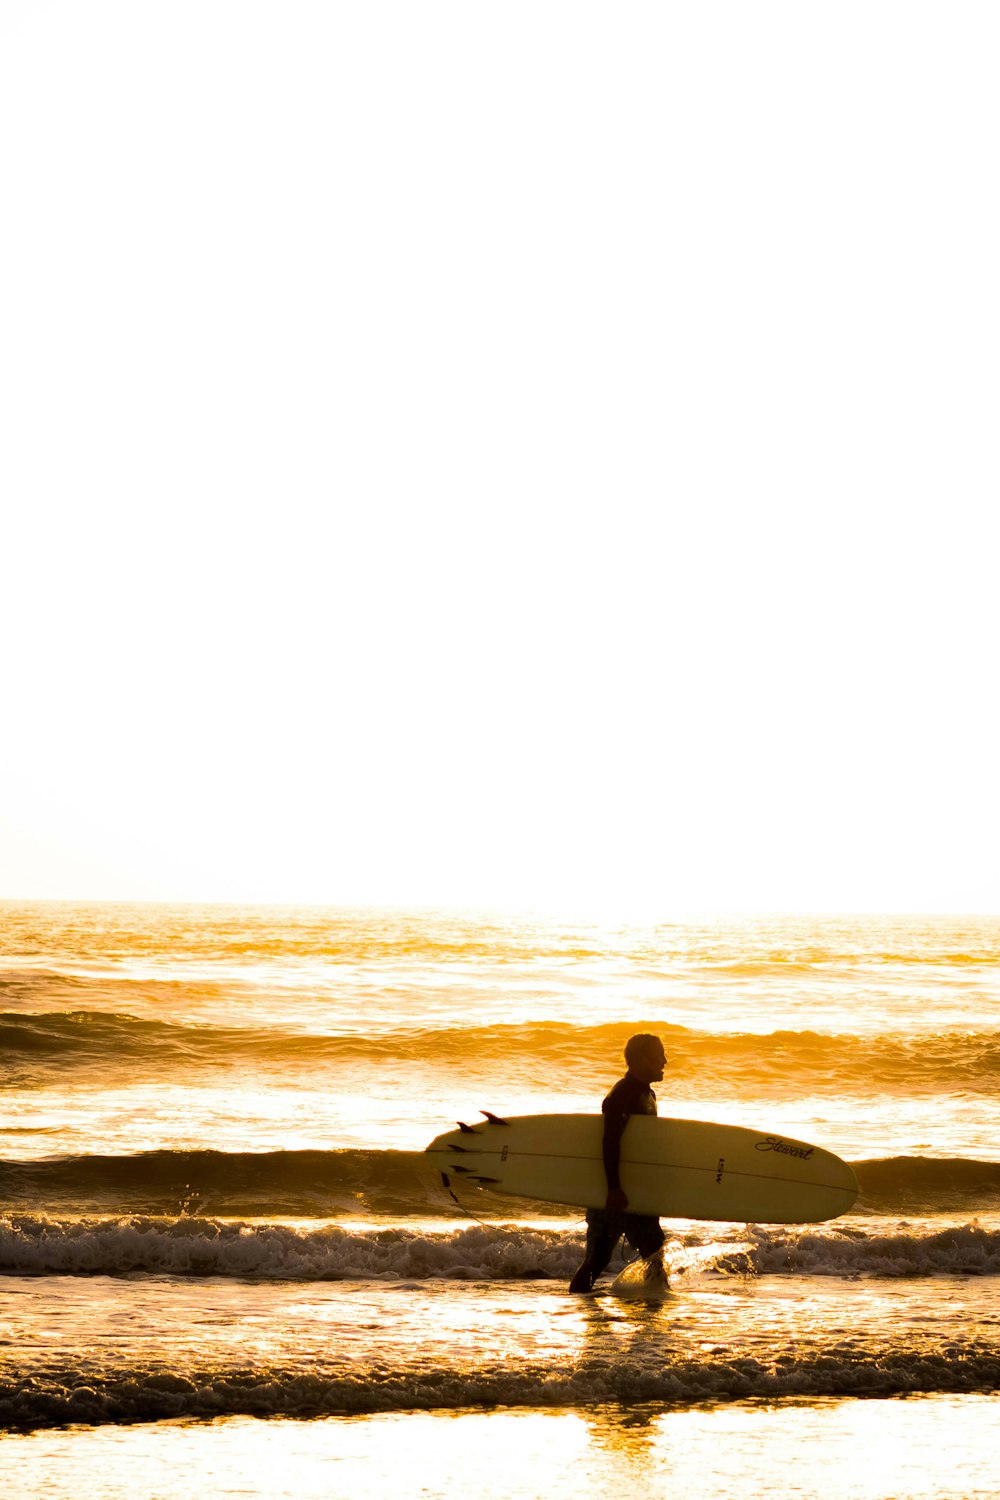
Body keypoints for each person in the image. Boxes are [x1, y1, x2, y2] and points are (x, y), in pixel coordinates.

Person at [569, 1033, 668, 1293]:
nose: (665, 1061)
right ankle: (650, 1319)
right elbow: (610, 1142)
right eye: (659, 1055)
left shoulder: (647, 1094)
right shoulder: (622, 1095)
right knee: (604, 1260)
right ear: (642, 1059)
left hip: (635, 1192)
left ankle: (651, 1319)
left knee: (652, 1256)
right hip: (618, 1194)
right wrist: (613, 1188)